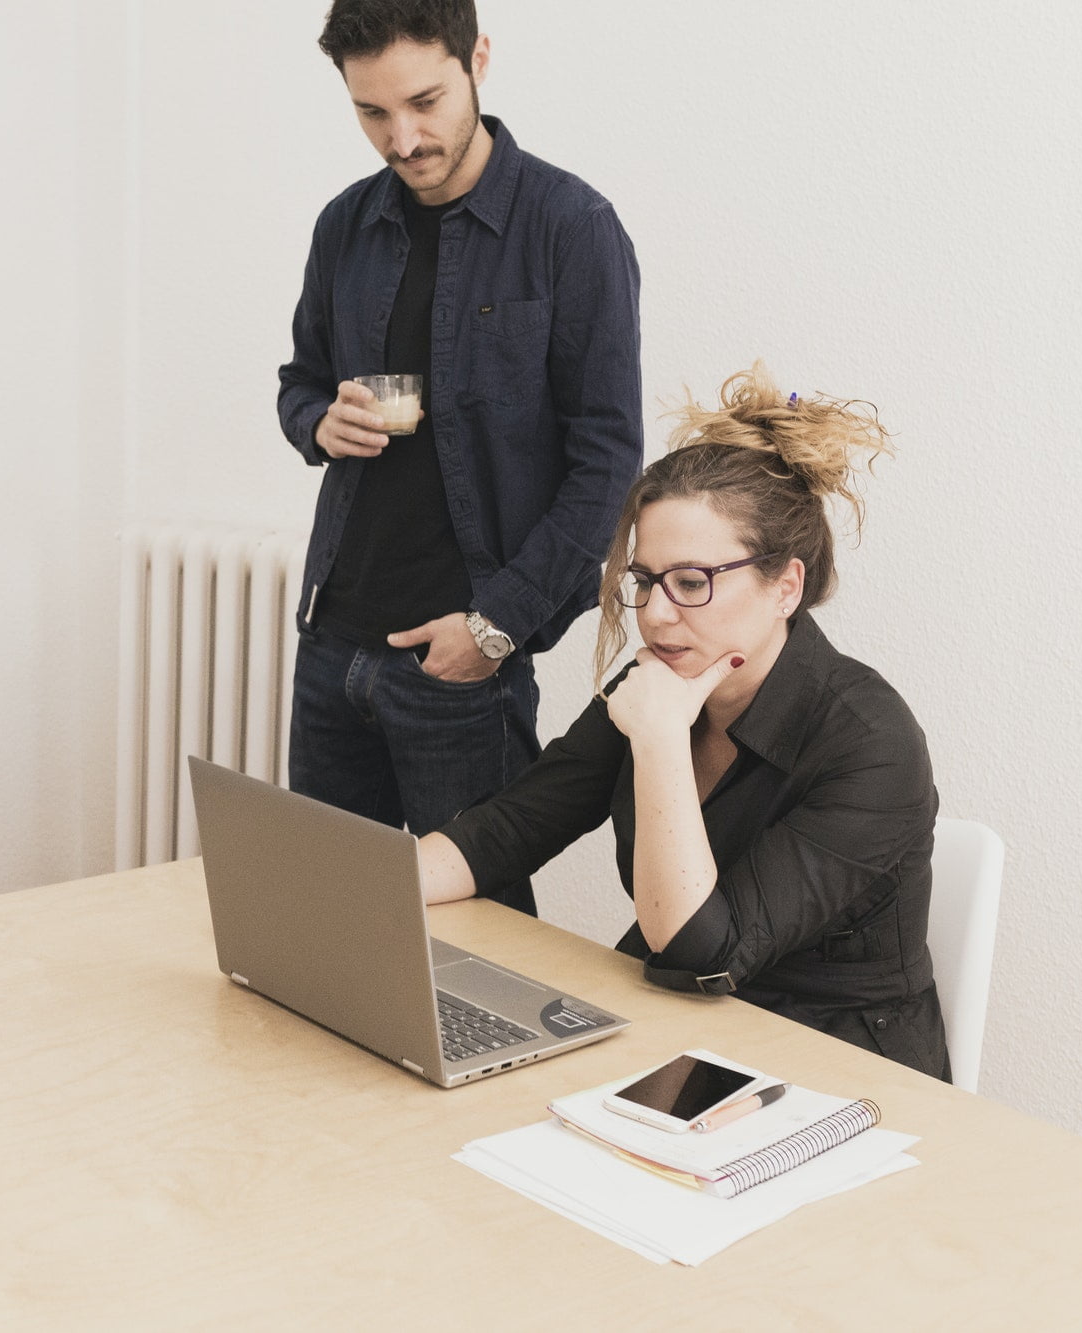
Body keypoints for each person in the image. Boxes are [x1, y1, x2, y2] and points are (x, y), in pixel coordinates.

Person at [418, 365, 950, 1079]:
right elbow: (508, 831)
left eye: (693, 582)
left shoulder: (872, 743)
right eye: (644, 580)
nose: (657, 613)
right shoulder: (658, 682)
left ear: (784, 585)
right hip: (676, 1026)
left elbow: (701, 950)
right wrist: (350, 888)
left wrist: (662, 739)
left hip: (837, 1069)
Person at [277, 0, 643, 916]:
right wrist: (320, 420)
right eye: (371, 114)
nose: (402, 138)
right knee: (322, 927)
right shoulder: (344, 227)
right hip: (333, 647)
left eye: (425, 101)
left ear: (478, 56)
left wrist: (495, 631)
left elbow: (607, 464)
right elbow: (299, 382)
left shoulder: (571, 227)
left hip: (460, 666)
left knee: (485, 956)